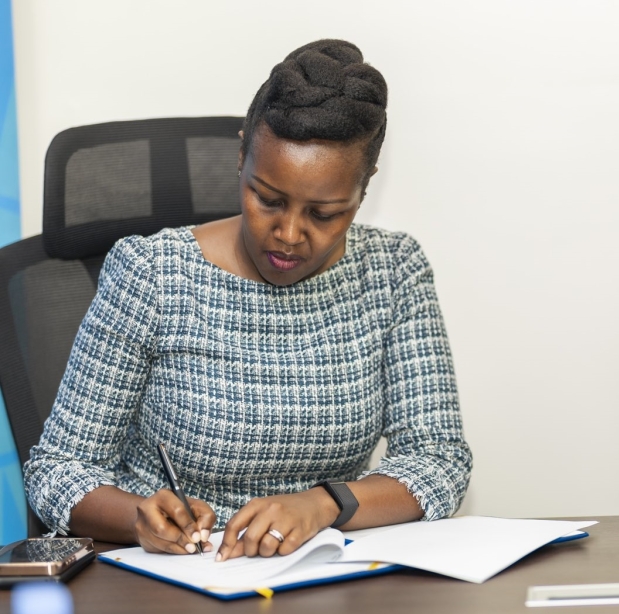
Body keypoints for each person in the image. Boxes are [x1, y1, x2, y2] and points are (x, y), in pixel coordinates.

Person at [23, 39, 472, 561]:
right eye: (268, 199)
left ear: (363, 189)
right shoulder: (152, 273)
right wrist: (139, 517)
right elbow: (57, 469)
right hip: (177, 575)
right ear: (241, 157)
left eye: (324, 214)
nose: (289, 234)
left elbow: (440, 460)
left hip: (324, 573)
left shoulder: (393, 271)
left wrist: (324, 503)